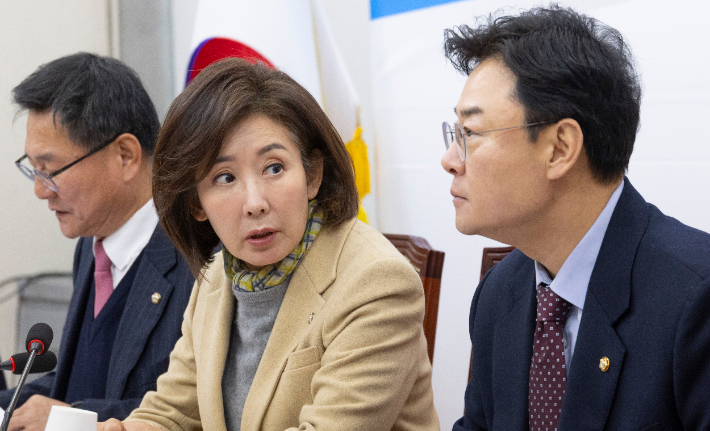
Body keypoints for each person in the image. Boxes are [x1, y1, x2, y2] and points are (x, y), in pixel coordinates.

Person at [100, 57, 439, 431]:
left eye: (274, 168)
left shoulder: (377, 282)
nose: (254, 202)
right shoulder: (216, 280)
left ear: (312, 174)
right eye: (225, 177)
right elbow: (172, 413)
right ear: (196, 204)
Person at [440, 5, 710, 431]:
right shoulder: (499, 295)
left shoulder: (695, 295)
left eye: (470, 134)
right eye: (455, 134)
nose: (449, 160)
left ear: (560, 148)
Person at [0, 53, 194, 429]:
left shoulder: (198, 259)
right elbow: (76, 387)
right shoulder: (91, 247)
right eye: (34, 169)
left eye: (51, 169)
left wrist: (67, 421)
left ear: (125, 156)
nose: (41, 190)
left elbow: (194, 410)